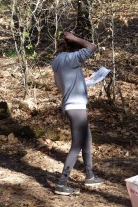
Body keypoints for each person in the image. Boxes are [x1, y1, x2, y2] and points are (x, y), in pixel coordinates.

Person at [51, 32, 105, 195]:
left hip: (73, 105)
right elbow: (92, 47)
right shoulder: (70, 58)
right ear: (76, 48)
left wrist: (85, 81)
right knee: (76, 145)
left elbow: (68, 83)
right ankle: (62, 183)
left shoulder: (60, 61)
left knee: (87, 139)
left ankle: (90, 176)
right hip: (76, 107)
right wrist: (75, 37)